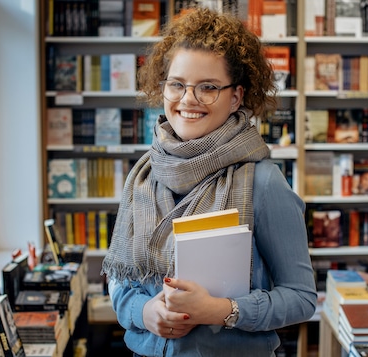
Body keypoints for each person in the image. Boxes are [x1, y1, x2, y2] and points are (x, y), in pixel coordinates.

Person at [101, 6, 317, 356]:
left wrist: (221, 311)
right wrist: (144, 312)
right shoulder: (143, 176)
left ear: (236, 97)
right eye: (177, 85)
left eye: (208, 88)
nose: (188, 99)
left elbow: (302, 297)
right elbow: (121, 282)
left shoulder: (262, 182)